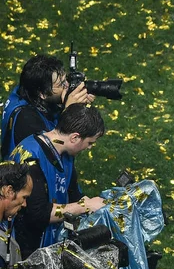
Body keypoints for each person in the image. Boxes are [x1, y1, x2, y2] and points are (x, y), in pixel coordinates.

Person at [9, 103, 106, 259]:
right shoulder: (32, 160)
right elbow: (38, 214)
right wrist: (84, 206)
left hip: (49, 238)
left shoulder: (62, 151)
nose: (89, 148)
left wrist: (85, 203)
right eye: (90, 143)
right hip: (28, 247)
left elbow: (72, 192)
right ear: (75, 137)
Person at [1, 54, 93, 160]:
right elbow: (56, 147)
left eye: (65, 80)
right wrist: (69, 111)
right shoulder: (26, 120)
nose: (67, 86)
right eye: (61, 84)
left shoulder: (29, 92)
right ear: (42, 93)